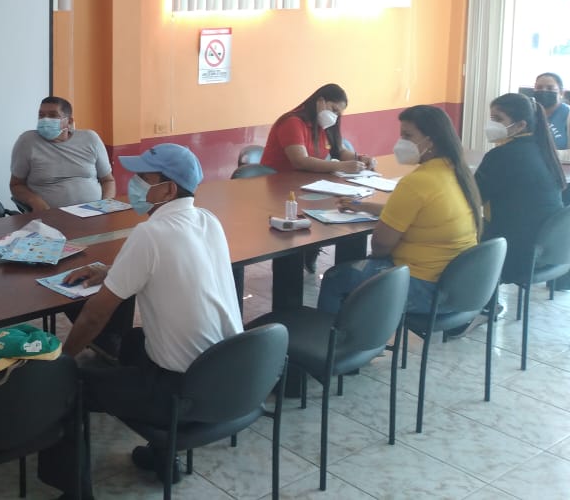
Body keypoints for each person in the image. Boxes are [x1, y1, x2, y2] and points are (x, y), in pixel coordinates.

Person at [38, 144, 242, 494]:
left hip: (182, 392)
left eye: (144, 178)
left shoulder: (151, 234)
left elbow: (94, 316)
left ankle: (75, 491)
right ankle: (163, 458)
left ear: (168, 189)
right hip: (230, 377)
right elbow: (169, 264)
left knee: (71, 383)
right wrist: (112, 270)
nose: (133, 184)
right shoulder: (208, 220)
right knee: (133, 342)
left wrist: (62, 359)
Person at [317, 105, 481, 315]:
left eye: (407, 135)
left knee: (336, 277)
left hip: (423, 287)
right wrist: (360, 205)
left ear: (430, 141)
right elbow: (418, 213)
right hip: (457, 285)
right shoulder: (456, 172)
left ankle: (336, 335)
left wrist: (375, 260)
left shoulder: (417, 182)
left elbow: (380, 245)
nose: (401, 142)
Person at [260, 83, 375, 272]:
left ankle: (314, 251)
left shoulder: (324, 124)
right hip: (280, 189)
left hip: (307, 185)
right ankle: (301, 259)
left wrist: (359, 158)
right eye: (333, 109)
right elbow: (300, 161)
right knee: (296, 230)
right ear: (320, 101)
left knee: (338, 210)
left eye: (339, 113)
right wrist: (341, 166)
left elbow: (339, 151)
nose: (335, 116)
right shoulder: (292, 122)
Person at [476, 93, 565, 285]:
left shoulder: (500, 155)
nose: (491, 124)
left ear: (520, 125)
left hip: (515, 253)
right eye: (491, 118)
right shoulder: (544, 150)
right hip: (550, 250)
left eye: (498, 119)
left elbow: (472, 199)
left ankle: (476, 296)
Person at [10, 96, 115, 212]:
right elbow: (16, 185)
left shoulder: (90, 138)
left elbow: (108, 181)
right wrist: (34, 201)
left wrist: (105, 205)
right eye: (41, 115)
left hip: (94, 214)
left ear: (69, 122)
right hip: (51, 215)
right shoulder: (28, 141)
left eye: (52, 115)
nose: (45, 120)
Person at [533, 72, 570, 150]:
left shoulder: (567, 114)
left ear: (561, 92)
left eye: (550, 88)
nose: (543, 91)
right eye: (539, 87)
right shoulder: (528, 112)